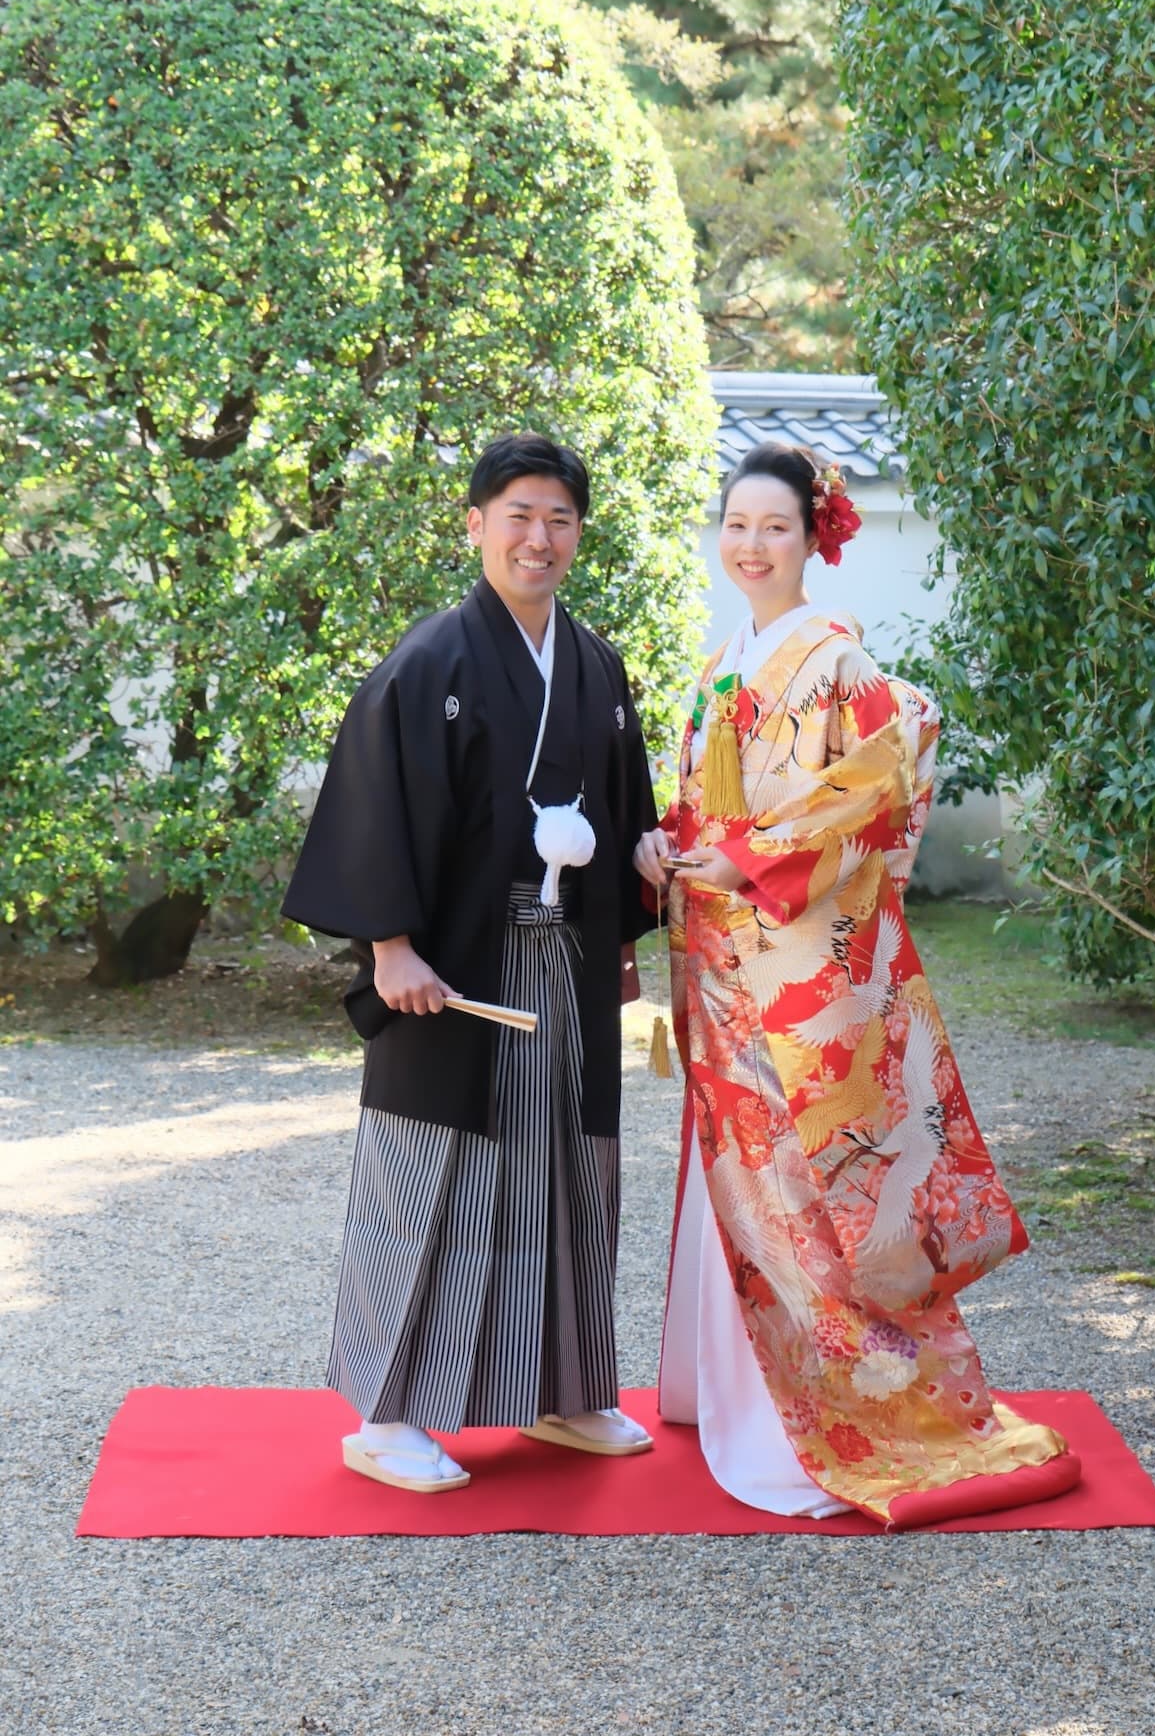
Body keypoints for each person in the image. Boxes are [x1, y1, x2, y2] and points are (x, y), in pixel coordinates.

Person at [635, 442, 1081, 1528]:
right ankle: (741, 1395)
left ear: (811, 538)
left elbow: (875, 787)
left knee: (808, 1186)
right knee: (744, 1176)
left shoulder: (832, 658)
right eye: (736, 523)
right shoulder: (722, 658)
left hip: (799, 967)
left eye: (774, 527)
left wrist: (749, 855)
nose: (750, 543)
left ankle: (849, 1410)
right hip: (725, 956)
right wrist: (666, 842)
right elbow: (707, 804)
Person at [284, 432, 659, 1492]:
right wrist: (389, 942)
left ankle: (562, 1387)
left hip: (564, 966)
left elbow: (621, 810)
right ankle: (387, 1410)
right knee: (432, 1177)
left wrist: (627, 921)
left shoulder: (594, 665)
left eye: (559, 519)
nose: (539, 538)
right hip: (452, 966)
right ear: (475, 524)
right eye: (518, 516)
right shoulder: (431, 662)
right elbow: (376, 804)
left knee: (563, 1175)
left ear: (578, 533)